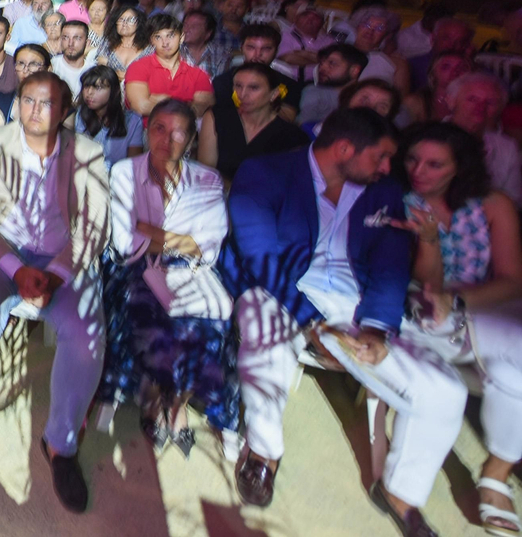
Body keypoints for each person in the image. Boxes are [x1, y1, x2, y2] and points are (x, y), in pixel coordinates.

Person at [220, 108, 465, 535]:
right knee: (264, 335)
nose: (391, 169)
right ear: (345, 149)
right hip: (280, 288)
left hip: (353, 300)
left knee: (446, 391)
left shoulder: (382, 191)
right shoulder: (265, 172)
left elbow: (389, 264)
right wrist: (313, 324)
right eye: (382, 157)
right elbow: (261, 258)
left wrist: (375, 327)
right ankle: (263, 452)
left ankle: (400, 490)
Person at [0, 73, 111, 515]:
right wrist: (17, 272)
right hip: (3, 253)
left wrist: (52, 276)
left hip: (62, 257)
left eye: (48, 103)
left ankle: (61, 443)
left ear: (65, 112)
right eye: (28, 100)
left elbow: (94, 227)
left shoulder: (87, 153)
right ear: (17, 104)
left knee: (88, 334)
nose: (36, 110)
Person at [395, 123, 522, 536]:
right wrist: (429, 241)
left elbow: (511, 279)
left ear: (458, 167)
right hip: (424, 306)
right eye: (413, 159)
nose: (420, 170)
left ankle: (495, 475)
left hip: (483, 304)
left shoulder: (491, 204)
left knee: (515, 373)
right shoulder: (400, 201)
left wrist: (461, 302)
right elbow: (424, 281)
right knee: (434, 318)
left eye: (435, 164)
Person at [100, 100, 235, 455]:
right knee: (150, 312)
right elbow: (127, 241)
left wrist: (152, 230)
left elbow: (209, 247)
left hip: (192, 271)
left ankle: (177, 405)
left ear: (191, 140)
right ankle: (153, 399)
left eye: (178, 132)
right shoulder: (126, 172)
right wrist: (182, 241)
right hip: (139, 266)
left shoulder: (207, 180)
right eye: (159, 128)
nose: (167, 139)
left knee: (216, 311)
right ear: (146, 132)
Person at [199, 63, 309, 182]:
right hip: (218, 194)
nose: (242, 94)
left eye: (253, 88)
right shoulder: (216, 117)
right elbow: (206, 171)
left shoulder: (292, 136)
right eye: (238, 86)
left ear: (274, 94)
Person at [447, 72, 522, 207]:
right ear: (451, 101)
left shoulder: (507, 147)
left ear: (500, 109)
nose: (480, 107)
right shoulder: (427, 139)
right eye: (472, 99)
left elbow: (513, 202)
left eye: (490, 102)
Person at [124, 13, 213, 117]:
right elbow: (141, 107)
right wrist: (187, 103)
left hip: (185, 130)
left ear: (181, 37)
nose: (165, 42)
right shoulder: (138, 68)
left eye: (170, 35)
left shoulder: (198, 74)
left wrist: (165, 100)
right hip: (147, 130)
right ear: (151, 41)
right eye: (158, 37)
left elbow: (203, 110)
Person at [211, 24, 300, 120]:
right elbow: (221, 118)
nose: (258, 54)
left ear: (276, 51)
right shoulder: (223, 81)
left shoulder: (287, 84)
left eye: (266, 49)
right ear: (242, 48)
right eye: (251, 48)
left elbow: (288, 119)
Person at [75, 65, 142, 165]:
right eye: (86, 86)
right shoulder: (78, 115)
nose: (89, 93)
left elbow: (133, 165)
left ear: (115, 91)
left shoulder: (133, 121)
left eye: (98, 87)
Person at [297, 43, 368, 127]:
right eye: (321, 63)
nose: (322, 68)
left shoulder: (362, 103)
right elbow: (301, 128)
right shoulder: (315, 92)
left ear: (354, 70)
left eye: (332, 63)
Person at [49, 19, 95, 97]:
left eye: (77, 38)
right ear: (60, 40)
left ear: (87, 43)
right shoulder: (51, 66)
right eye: (66, 37)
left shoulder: (94, 71)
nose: (70, 43)